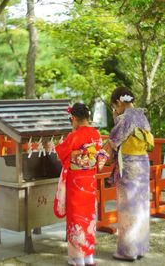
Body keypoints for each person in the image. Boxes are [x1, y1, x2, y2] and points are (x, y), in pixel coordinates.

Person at [54, 103, 108, 266]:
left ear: (75, 119)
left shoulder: (74, 136)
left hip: (76, 183)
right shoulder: (97, 134)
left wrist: (72, 153)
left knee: (76, 218)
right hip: (90, 181)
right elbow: (100, 158)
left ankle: (77, 259)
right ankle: (88, 257)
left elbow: (60, 155)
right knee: (88, 218)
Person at [108, 87, 154, 262]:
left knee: (128, 207)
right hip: (142, 163)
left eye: (115, 106)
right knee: (140, 206)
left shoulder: (125, 118)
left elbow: (113, 141)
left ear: (119, 102)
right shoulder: (141, 115)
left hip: (129, 165)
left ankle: (128, 251)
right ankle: (140, 248)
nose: (116, 110)